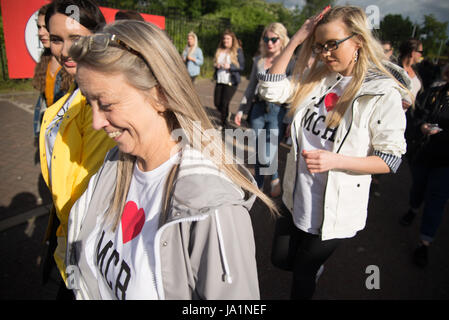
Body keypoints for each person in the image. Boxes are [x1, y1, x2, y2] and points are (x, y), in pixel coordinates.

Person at [65, 20, 276, 300]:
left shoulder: (212, 210)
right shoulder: (118, 160)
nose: (95, 122)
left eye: (106, 104)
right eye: (88, 101)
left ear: (161, 96)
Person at [258, 5, 408, 299]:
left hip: (335, 211)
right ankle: (312, 268)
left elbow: (391, 159)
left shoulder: (382, 92)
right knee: (280, 259)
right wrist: (298, 38)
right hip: (295, 195)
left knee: (302, 276)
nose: (325, 53)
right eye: (319, 46)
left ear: (358, 41)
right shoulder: (320, 78)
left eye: (332, 45)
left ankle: (311, 272)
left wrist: (336, 160)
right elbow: (269, 89)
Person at [39, 0, 116, 298]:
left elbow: (95, 189)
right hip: (65, 238)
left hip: (86, 249)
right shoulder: (71, 94)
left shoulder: (101, 101)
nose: (65, 50)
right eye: (57, 39)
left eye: (76, 39)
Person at [234, 22, 294, 197]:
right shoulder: (258, 60)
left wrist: (290, 118)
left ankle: (274, 177)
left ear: (282, 40)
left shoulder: (291, 62)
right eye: (266, 39)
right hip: (258, 110)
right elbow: (251, 86)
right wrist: (240, 109)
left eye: (274, 39)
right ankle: (258, 184)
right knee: (259, 150)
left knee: (268, 154)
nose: (270, 43)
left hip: (278, 112)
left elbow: (293, 92)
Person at [399, 64, 449, 267]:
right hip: (423, 153)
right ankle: (412, 208)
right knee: (418, 188)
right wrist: (422, 125)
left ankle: (424, 243)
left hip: (446, 162)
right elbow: (417, 112)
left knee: (436, 200)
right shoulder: (434, 92)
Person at [32, 3, 71, 145]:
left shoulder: (72, 64)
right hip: (49, 132)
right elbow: (43, 102)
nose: (41, 32)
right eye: (38, 27)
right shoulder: (45, 60)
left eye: (45, 27)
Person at [213, 29, 245, 129]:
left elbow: (242, 67)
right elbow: (214, 62)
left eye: (228, 38)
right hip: (220, 80)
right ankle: (226, 114)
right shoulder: (219, 50)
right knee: (217, 103)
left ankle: (224, 125)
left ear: (232, 40)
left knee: (224, 103)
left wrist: (230, 67)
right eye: (224, 38)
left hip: (231, 81)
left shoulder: (237, 51)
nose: (225, 40)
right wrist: (216, 65)